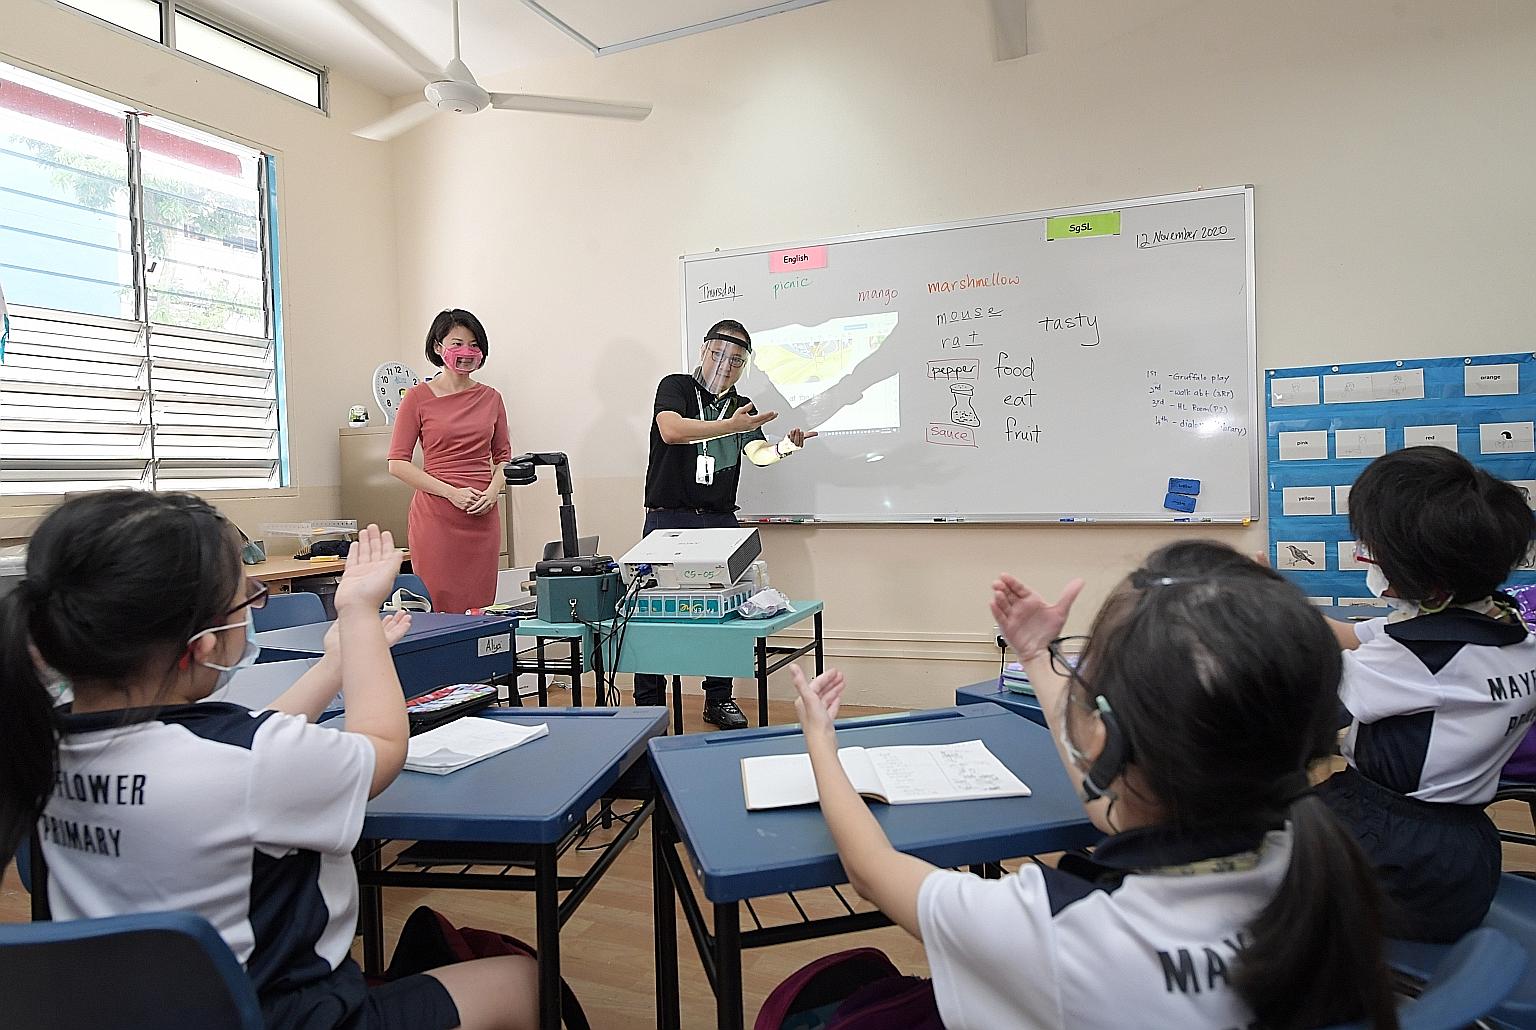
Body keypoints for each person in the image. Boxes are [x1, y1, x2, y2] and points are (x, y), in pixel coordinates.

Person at [790, 540, 1397, 1029]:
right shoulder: (1321, 859)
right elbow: (1110, 799)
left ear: (1105, 737)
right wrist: (1036, 654)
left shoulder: (1054, 927)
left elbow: (870, 869)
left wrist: (819, 737)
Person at [0, 493, 537, 1030]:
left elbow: (251, 743)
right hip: (278, 1018)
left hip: (127, 1014)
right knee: (520, 982)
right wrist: (357, 616)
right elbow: (381, 744)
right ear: (204, 644)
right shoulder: (251, 765)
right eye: (247, 601)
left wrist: (335, 663)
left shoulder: (36, 749)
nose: (252, 611)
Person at [1319, 445, 1536, 942]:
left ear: (1421, 574)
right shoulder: (1506, 628)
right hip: (1464, 848)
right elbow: (1351, 635)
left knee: (1248, 859)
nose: (1365, 557)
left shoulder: (1415, 659)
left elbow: (1294, 712)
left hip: (1398, 853)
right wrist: (1275, 595)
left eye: (1372, 547)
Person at [637, 318, 817, 729]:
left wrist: (787, 446)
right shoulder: (677, 387)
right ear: (704, 351)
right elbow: (672, 431)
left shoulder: (742, 404)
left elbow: (758, 454)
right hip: (670, 517)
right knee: (653, 610)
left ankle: (718, 698)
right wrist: (731, 425)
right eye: (719, 354)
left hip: (719, 519)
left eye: (737, 360)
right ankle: (648, 701)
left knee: (726, 613)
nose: (726, 364)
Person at [389, 309, 511, 615]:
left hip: (482, 513)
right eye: (457, 343)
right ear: (437, 347)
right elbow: (397, 463)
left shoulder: (492, 398)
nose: (466, 352)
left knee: (481, 608)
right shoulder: (416, 397)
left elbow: (504, 459)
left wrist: (494, 491)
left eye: (474, 344)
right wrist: (451, 493)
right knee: (438, 606)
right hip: (437, 517)